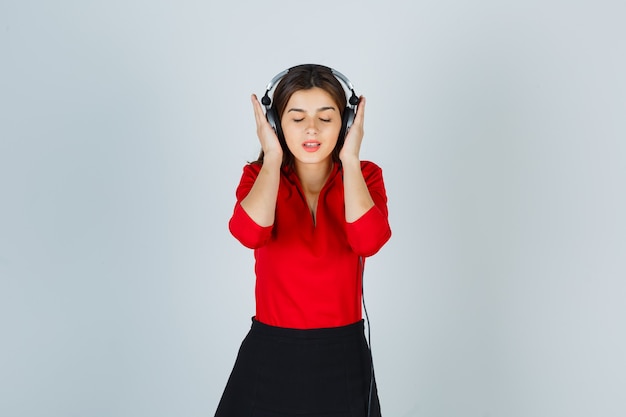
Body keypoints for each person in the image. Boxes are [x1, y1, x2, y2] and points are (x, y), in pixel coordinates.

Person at [214, 64, 391, 417]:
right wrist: (274, 157)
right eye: (296, 118)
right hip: (270, 353)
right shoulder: (259, 176)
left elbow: (368, 241)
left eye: (326, 118)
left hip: (342, 355)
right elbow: (250, 232)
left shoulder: (364, 175)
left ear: (347, 122)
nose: (312, 128)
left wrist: (351, 160)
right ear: (276, 123)